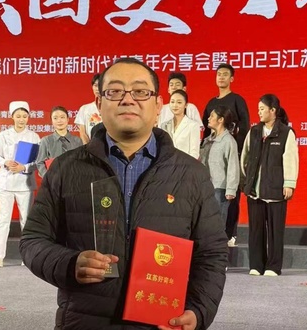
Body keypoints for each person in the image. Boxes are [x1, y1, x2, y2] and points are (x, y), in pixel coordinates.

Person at [20, 58, 227, 330]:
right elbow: (33, 240)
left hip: (160, 322)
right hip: (84, 322)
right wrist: (69, 264)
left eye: (140, 91)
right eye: (115, 91)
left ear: (158, 105)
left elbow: (211, 253)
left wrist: (199, 310)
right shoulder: (66, 168)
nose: (128, 100)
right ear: (99, 104)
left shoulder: (191, 174)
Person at [240, 94, 299, 277]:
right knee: (256, 230)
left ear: (273, 110)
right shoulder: (254, 132)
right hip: (255, 190)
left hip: (275, 189)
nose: (259, 112)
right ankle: (256, 265)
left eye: (262, 109)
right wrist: (245, 181)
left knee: (275, 231)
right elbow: (245, 157)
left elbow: (290, 160)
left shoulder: (286, 133)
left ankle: (273, 266)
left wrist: (289, 183)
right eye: (258, 109)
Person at [201, 63, 249, 246]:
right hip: (212, 154)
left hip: (232, 152)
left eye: (225, 74)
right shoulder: (211, 103)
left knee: (230, 196)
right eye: (218, 74)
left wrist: (237, 149)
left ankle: (230, 233)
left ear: (232, 78)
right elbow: (206, 131)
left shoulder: (237, 100)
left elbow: (245, 126)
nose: (221, 77)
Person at [0, 101, 40, 268]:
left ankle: (26, 257)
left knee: (26, 220)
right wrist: (5, 162)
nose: (21, 119)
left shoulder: (34, 136)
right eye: (18, 116)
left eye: (25, 116)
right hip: (5, 182)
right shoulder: (4, 135)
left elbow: (37, 161)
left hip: (25, 184)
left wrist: (23, 167)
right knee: (3, 219)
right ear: (12, 116)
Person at [200, 105, 240, 227]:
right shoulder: (207, 140)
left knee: (217, 223)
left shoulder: (229, 141)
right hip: (205, 187)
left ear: (221, 119)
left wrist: (231, 189)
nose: (208, 118)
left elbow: (233, 166)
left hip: (220, 189)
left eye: (212, 116)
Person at [35, 106, 82, 177]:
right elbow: (40, 163)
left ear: (68, 119)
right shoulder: (46, 140)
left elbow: (81, 162)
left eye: (62, 117)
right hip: (53, 180)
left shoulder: (77, 141)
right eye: (55, 118)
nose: (59, 121)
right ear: (52, 121)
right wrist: (49, 178)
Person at [159, 89, 200, 159]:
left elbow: (194, 153)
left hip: (185, 164)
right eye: (172, 102)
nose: (175, 105)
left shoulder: (193, 126)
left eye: (179, 102)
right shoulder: (164, 125)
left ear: (186, 105)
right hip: (167, 164)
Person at [76, 73, 102, 144]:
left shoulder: (111, 108)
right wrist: (89, 148)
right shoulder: (84, 109)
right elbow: (83, 133)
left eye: (100, 85)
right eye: (95, 85)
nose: (97, 89)